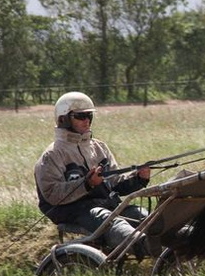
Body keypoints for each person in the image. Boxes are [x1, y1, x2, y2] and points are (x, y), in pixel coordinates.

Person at [34, 91, 159, 259]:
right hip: (74, 211)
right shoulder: (52, 155)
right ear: (63, 119)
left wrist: (139, 178)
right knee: (109, 219)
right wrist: (87, 184)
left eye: (89, 116)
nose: (87, 120)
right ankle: (143, 245)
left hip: (106, 205)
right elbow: (52, 194)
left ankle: (179, 239)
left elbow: (115, 183)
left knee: (141, 215)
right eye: (80, 116)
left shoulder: (99, 147)